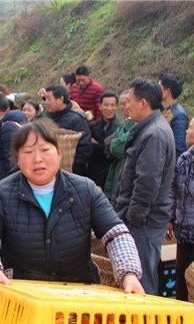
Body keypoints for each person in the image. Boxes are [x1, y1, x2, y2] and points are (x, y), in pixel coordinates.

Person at [0, 119, 144, 298]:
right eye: (28, 152)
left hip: (79, 293)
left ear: (59, 153)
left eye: (45, 150)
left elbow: (116, 234)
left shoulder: (86, 189)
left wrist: (128, 273)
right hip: (23, 294)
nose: (37, 159)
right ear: (17, 159)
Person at [114, 78, 176, 295]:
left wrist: (133, 218)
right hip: (140, 219)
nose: (126, 106)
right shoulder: (148, 128)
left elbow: (147, 182)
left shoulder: (154, 134)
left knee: (141, 280)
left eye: (129, 101)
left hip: (144, 222)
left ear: (144, 103)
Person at [167, 117, 194, 301]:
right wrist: (170, 218)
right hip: (184, 232)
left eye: (191, 128)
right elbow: (172, 190)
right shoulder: (184, 159)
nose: (186, 131)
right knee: (182, 276)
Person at [44, 84, 92, 176]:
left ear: (61, 99)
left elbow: (84, 148)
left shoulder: (77, 119)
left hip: (70, 172)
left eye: (49, 99)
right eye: (45, 99)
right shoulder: (46, 118)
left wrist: (73, 170)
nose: (46, 102)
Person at [0, 91, 26, 184]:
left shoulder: (8, 127)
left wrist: (9, 184)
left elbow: (12, 160)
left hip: (5, 181)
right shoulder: (1, 125)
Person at [103, 90, 136, 201]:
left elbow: (116, 148)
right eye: (122, 104)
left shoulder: (137, 124)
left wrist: (114, 142)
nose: (124, 107)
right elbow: (108, 147)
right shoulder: (124, 123)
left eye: (127, 102)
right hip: (115, 173)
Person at [87, 91, 121, 189]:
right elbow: (89, 149)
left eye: (112, 105)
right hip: (94, 175)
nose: (109, 109)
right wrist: (107, 147)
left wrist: (98, 146)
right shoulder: (92, 126)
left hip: (112, 177)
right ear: (100, 106)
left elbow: (115, 153)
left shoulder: (121, 128)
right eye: (106, 105)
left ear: (116, 107)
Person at [159, 73, 189, 159]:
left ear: (167, 92)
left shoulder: (179, 115)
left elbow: (179, 149)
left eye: (159, 87)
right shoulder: (161, 110)